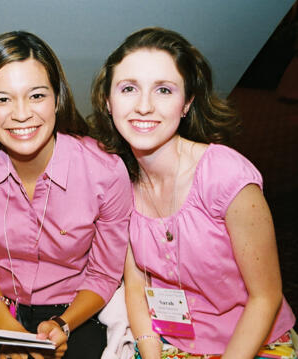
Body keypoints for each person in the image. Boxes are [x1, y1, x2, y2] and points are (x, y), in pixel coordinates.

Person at [89, 27, 296, 359]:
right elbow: (137, 289)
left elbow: (265, 297)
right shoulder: (119, 181)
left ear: (186, 103)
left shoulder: (225, 175)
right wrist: (151, 353)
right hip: (171, 341)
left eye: (164, 90)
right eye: (128, 88)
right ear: (108, 102)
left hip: (253, 344)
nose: (144, 106)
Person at [0, 30, 133, 359]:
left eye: (36, 96)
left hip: (75, 308)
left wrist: (61, 325)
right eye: (2, 99)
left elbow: (104, 273)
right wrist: (6, 325)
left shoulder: (105, 171)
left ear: (57, 98)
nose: (21, 114)